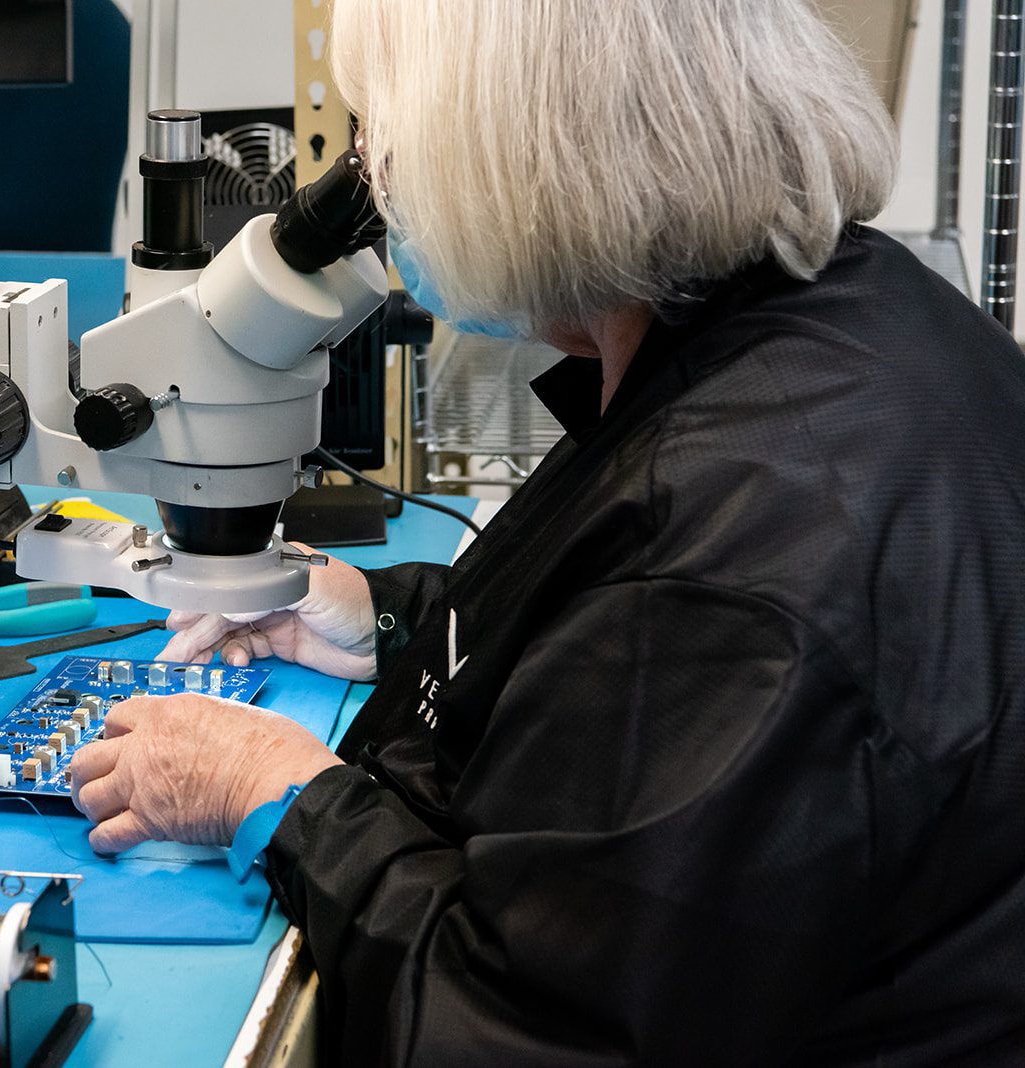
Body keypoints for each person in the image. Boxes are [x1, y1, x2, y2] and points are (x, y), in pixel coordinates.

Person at [70, 0, 1025, 1061]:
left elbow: (518, 1031)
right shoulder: (826, 329)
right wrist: (392, 622)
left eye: (384, 148)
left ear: (515, 161)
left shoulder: (735, 543)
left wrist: (277, 799)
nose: (372, 192)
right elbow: (612, 665)